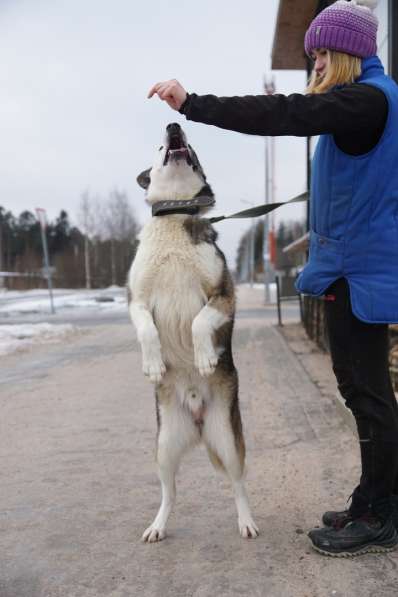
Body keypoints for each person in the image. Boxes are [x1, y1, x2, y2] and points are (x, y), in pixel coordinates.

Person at [147, 0, 398, 557]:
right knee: (362, 391)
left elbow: (283, 114)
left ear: (344, 54)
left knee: (370, 394)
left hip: (360, 272)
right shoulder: (370, 103)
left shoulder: (363, 102)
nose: (314, 69)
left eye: (319, 57)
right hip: (350, 267)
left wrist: (193, 104)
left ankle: (382, 515)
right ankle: (374, 498)